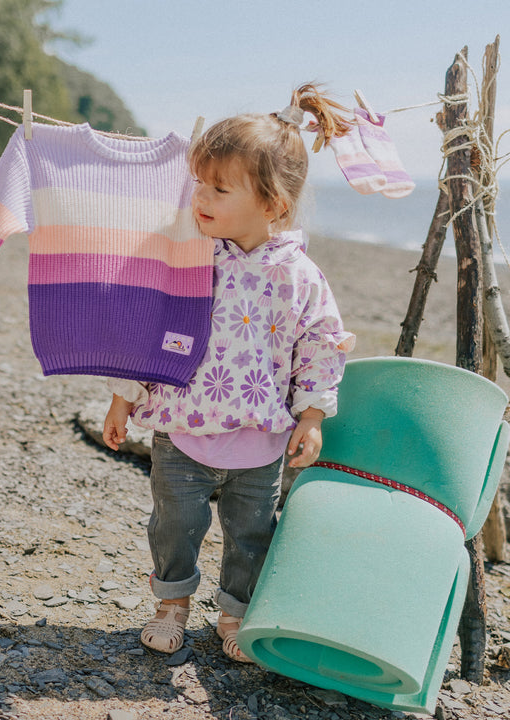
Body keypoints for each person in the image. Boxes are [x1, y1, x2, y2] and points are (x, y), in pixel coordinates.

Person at [102, 84, 355, 663]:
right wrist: (123, 397)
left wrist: (312, 413)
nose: (202, 198)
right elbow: (151, 328)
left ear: (273, 205)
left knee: (251, 535)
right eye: (199, 183)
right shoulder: (190, 255)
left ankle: (236, 614)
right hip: (182, 429)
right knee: (174, 524)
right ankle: (170, 605)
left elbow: (321, 343)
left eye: (220, 187)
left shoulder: (298, 275)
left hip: (260, 438)